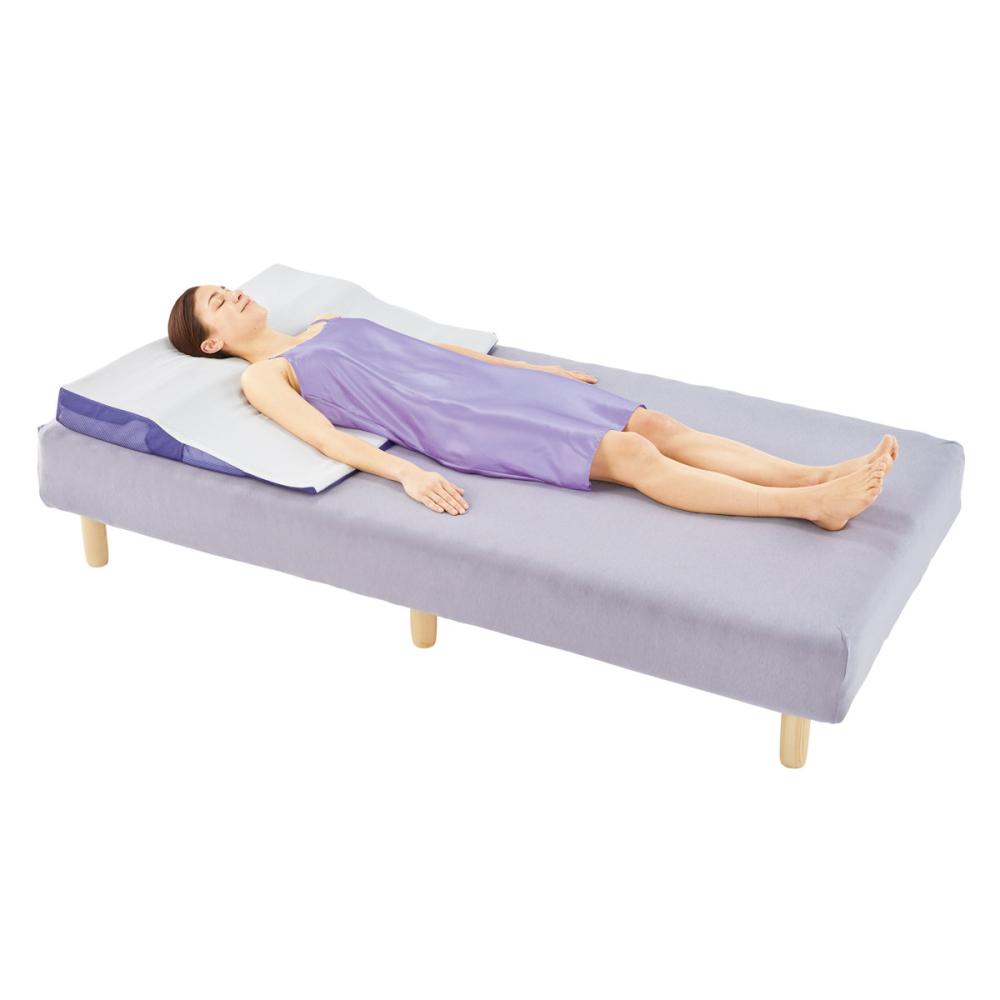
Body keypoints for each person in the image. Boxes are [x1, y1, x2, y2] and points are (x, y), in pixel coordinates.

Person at [168, 284, 897, 529]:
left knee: (655, 424)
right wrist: (406, 475)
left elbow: (436, 351)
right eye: (218, 303)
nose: (234, 294)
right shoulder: (266, 377)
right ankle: (808, 507)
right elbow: (328, 441)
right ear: (211, 343)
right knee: (632, 455)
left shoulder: (327, 322)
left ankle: (813, 475)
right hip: (461, 422)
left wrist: (532, 368)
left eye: (229, 287)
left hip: (494, 387)